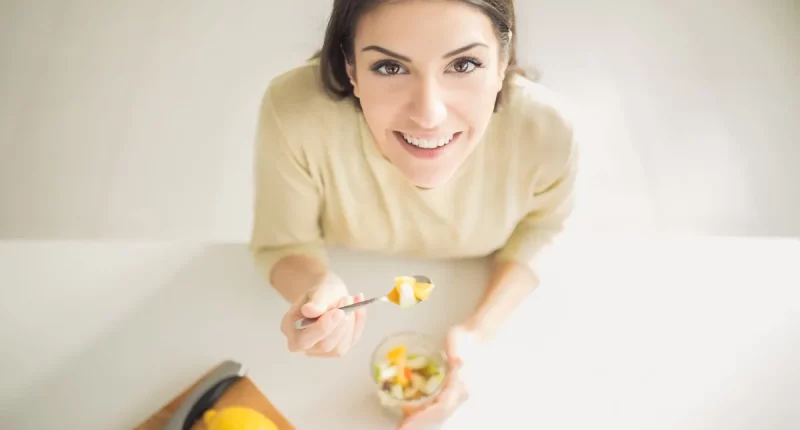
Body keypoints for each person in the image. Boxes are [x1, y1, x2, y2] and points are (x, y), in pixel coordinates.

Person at [249, 0, 577, 427]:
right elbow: (283, 242)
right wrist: (314, 287)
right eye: (389, 67)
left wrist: (477, 332)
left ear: (502, 60)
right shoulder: (294, 113)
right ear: (351, 67)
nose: (429, 116)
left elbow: (545, 229)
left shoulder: (547, 129)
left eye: (463, 64)